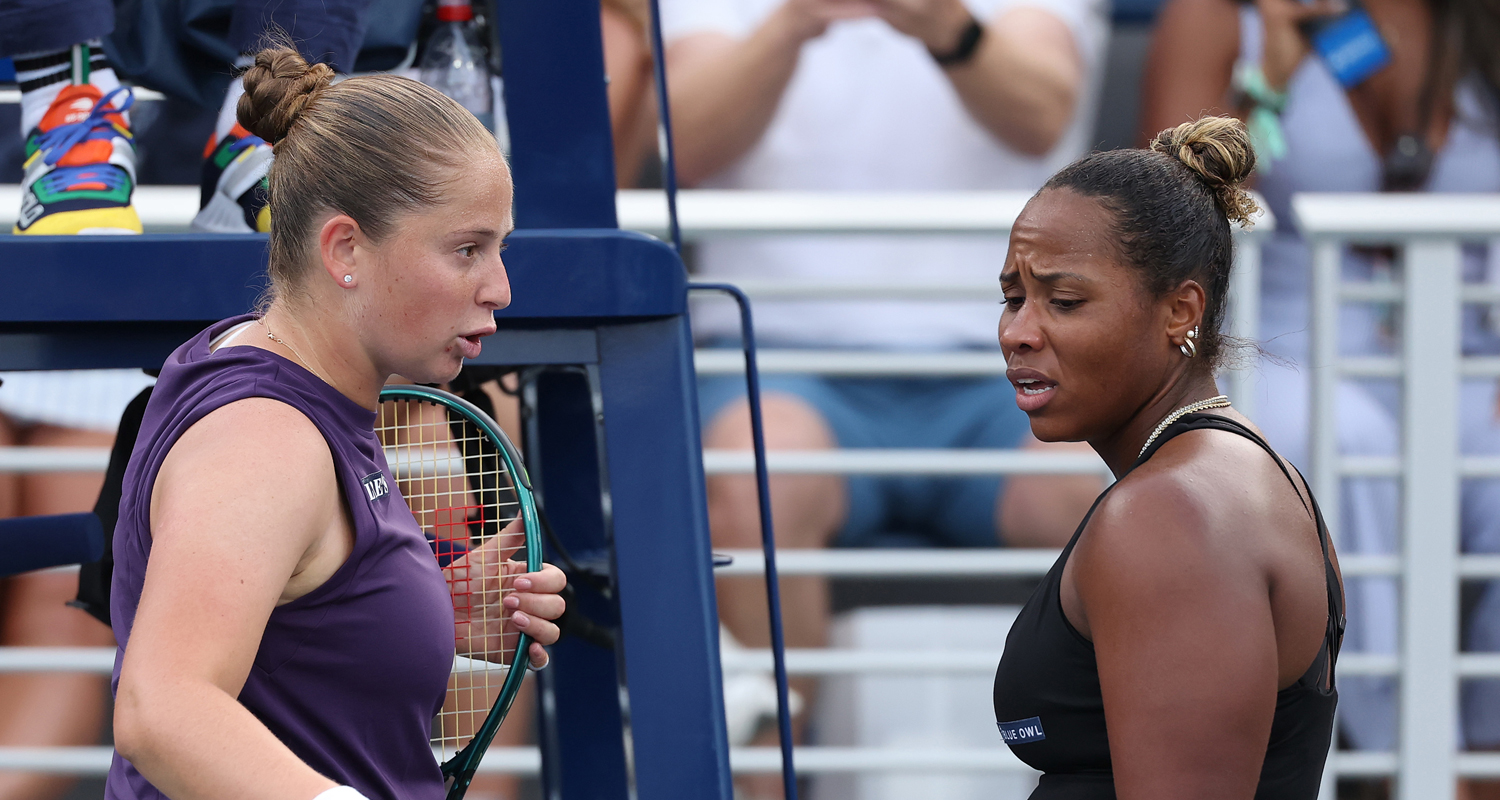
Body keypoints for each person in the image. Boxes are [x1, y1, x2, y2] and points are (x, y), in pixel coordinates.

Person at [105, 45, 566, 800]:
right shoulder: (264, 437)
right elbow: (161, 711)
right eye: (466, 249)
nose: (500, 288)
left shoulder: (265, 370)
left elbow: (283, 622)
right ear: (345, 248)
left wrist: (422, 611)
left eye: (499, 248)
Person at [658, 0, 1110, 761]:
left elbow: (1044, 113)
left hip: (1004, 369)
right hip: (779, 363)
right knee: (749, 484)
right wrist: (796, 19)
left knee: (1127, 502)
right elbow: (686, 145)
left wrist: (940, 20)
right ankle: (775, 782)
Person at [1140, 0, 1500, 768]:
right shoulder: (1217, 16)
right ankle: (1388, 761)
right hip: (1289, 334)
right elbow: (1161, 210)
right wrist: (1267, 78)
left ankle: (1482, 756)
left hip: (1474, 336)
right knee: (1337, 446)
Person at [992, 116, 1343, 798]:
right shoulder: (1210, 482)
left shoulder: (1172, 514)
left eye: (1063, 301)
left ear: (1180, 311)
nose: (1018, 332)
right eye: (1012, 298)